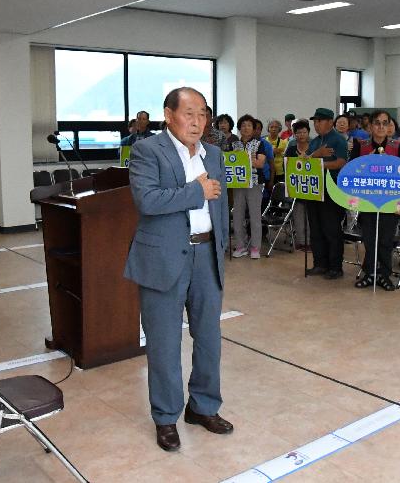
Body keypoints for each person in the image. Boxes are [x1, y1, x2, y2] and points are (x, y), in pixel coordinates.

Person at [123, 87, 232, 452]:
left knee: (209, 338)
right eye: (189, 113)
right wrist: (195, 191)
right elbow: (147, 200)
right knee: (165, 344)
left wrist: (221, 248)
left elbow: (221, 203)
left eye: (202, 114)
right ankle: (166, 417)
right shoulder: (146, 150)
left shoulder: (213, 154)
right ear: (168, 115)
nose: (197, 122)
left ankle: (203, 407)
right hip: (163, 258)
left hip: (206, 257)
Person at [350, 110, 400, 290]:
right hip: (368, 201)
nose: (381, 127)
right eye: (377, 123)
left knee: (385, 240)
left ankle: (384, 275)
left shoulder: (398, 147)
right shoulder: (361, 146)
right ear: (370, 126)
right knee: (370, 239)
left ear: (390, 125)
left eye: (385, 123)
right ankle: (370, 273)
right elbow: (352, 174)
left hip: (390, 203)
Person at [306, 107, 349, 279]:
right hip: (314, 190)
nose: (316, 125)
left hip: (332, 191)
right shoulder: (315, 141)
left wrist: (319, 163)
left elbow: (340, 162)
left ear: (330, 122)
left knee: (331, 230)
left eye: (319, 121)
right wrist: (317, 155)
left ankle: (335, 267)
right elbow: (307, 161)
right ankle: (320, 264)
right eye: (315, 121)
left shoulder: (338, 140)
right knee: (316, 229)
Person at [231, 115, 266, 259]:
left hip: (254, 182)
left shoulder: (259, 144)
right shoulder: (233, 144)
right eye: (243, 125)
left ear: (254, 128)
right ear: (239, 128)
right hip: (237, 182)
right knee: (237, 215)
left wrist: (244, 159)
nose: (246, 128)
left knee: (255, 215)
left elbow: (260, 164)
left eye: (249, 125)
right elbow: (229, 162)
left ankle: (255, 247)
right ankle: (240, 246)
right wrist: (247, 158)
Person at [284, 120, 312, 249]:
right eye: (298, 132)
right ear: (294, 134)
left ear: (308, 133)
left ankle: (311, 241)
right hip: (297, 186)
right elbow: (287, 167)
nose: (301, 135)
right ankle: (301, 241)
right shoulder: (290, 149)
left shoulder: (314, 148)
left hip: (311, 186)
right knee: (298, 215)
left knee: (311, 217)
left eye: (304, 132)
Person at [266, 119, 288, 184]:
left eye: (276, 127)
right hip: (267, 171)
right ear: (268, 129)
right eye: (271, 127)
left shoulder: (284, 142)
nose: (274, 129)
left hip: (280, 173)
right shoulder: (264, 141)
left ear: (279, 129)